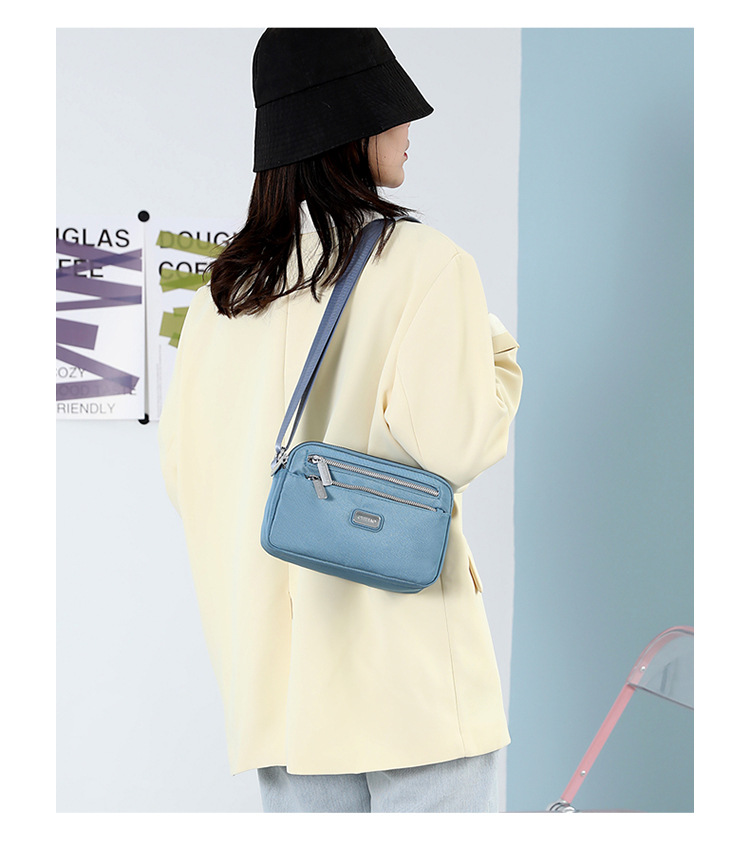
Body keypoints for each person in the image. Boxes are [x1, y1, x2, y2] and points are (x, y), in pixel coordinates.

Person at [158, 28, 523, 813]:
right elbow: (457, 443)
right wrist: (495, 353)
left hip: (278, 688)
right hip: (411, 681)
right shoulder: (425, 264)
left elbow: (189, 477)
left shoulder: (223, 296)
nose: (408, 129)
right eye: (394, 113)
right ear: (354, 127)